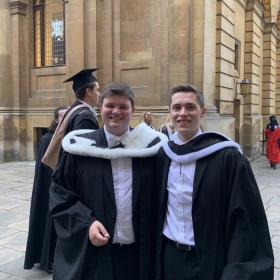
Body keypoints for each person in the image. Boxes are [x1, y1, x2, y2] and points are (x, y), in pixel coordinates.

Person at [49, 82, 168, 280]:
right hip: (95, 256)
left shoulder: (151, 151)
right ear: (100, 108)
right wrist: (87, 224)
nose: (116, 112)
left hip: (139, 256)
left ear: (133, 110)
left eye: (123, 106)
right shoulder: (80, 150)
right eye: (110, 105)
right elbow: (60, 195)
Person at [155, 85, 274, 280]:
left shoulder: (228, 158)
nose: (182, 113)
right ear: (170, 112)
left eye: (190, 107)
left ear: (202, 112)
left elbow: (246, 221)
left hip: (210, 259)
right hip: (169, 259)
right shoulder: (163, 155)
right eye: (176, 107)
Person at [24, 106, 68, 273]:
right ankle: (46, 259)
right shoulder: (48, 139)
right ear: (56, 120)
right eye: (62, 117)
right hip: (48, 190)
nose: (65, 120)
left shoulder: (68, 139)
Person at [41, 68, 100, 170]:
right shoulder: (85, 117)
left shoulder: (73, 110)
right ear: (88, 92)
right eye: (97, 90)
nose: (99, 94)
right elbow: (84, 156)